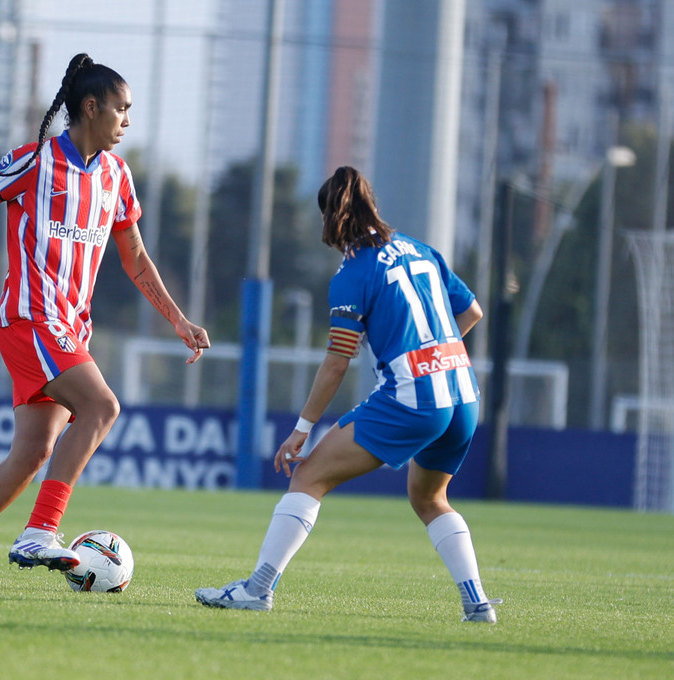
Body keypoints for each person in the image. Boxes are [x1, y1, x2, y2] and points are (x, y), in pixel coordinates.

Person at [0, 53, 210, 588]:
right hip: (30, 320)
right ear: (91, 107)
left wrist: (176, 318)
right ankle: (41, 530)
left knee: (33, 452)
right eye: (121, 109)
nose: (127, 121)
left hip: (66, 329)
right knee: (103, 406)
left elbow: (134, 255)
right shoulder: (35, 162)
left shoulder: (116, 175)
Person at [195, 166, 500, 623]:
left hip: (413, 397)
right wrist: (439, 354)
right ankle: (476, 604)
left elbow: (339, 361)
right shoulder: (421, 249)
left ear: (330, 219)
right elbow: (472, 310)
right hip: (462, 396)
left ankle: (257, 590)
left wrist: (301, 430)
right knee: (430, 499)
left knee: (308, 477)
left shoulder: (352, 274)